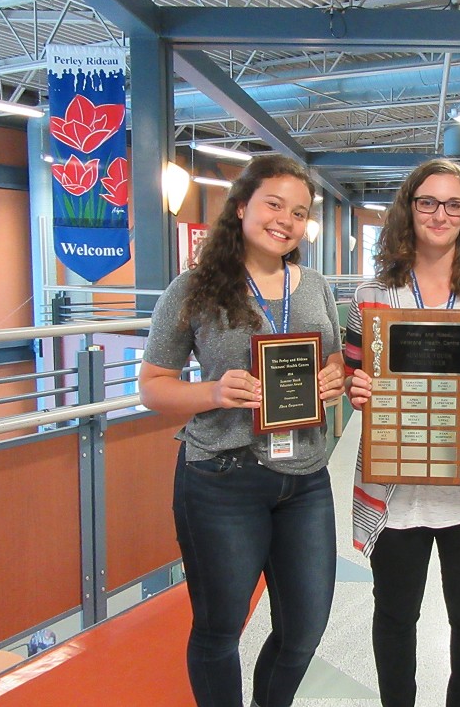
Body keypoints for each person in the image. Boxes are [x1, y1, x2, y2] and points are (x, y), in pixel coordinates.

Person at [139, 154, 345, 707]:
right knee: (220, 626)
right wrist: (211, 392)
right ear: (241, 207)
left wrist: (335, 377)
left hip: (305, 476)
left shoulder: (315, 285)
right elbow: (153, 386)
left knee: (305, 628)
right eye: (273, 204)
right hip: (223, 475)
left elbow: (336, 359)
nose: (285, 220)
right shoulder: (194, 288)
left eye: (298, 213)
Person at [343, 159, 460, 707]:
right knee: (395, 615)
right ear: (409, 209)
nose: (440, 214)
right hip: (395, 493)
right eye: (427, 202)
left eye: (453, 204)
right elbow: (355, 373)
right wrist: (358, 391)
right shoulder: (371, 296)